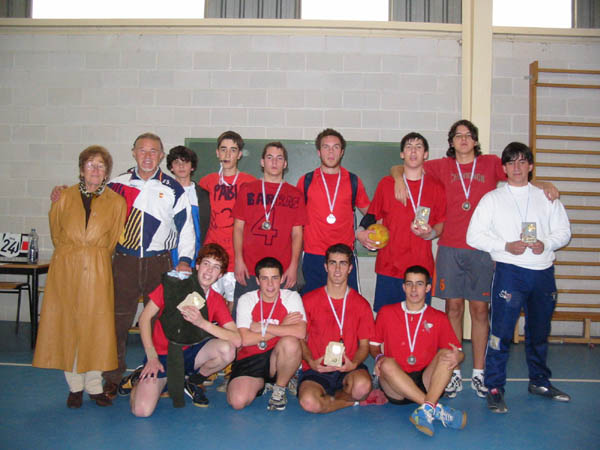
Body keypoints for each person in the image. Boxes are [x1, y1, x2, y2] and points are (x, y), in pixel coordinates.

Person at [390, 120, 558, 399]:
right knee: (453, 309)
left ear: (476, 141)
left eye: (468, 135)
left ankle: (479, 372)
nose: (464, 139)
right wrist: (397, 177)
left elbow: (518, 177)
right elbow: (404, 166)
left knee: (480, 311)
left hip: (482, 250)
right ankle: (453, 372)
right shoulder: (441, 166)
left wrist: (543, 184)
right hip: (450, 248)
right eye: (458, 136)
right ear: (451, 141)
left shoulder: (490, 163)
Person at [51, 133, 196, 398]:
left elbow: (186, 227)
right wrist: (63, 192)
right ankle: (111, 378)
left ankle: (158, 375)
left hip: (159, 262)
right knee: (114, 324)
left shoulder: (174, 188)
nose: (148, 156)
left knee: (159, 324)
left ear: (161, 156)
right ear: (133, 153)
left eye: (153, 151)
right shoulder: (116, 184)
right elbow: (86, 197)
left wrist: (185, 260)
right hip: (123, 263)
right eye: (142, 150)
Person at [466, 142, 571, 414]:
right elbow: (473, 236)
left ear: (530, 166)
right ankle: (494, 387)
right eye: (511, 162)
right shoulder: (492, 199)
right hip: (510, 272)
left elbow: (564, 232)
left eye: (522, 161)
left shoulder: (547, 196)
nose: (516, 167)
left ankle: (539, 381)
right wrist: (505, 246)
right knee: (500, 334)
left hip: (542, 273)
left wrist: (546, 244)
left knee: (539, 332)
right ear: (504, 168)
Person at [33, 145, 127, 409]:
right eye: (90, 164)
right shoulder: (63, 197)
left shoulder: (116, 202)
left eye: (100, 165)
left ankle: (94, 386)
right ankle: (74, 386)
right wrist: (75, 252)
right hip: (67, 267)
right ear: (81, 169)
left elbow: (112, 240)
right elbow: (56, 232)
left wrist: (92, 255)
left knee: (97, 328)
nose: (95, 170)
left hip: (98, 268)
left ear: (107, 172)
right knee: (69, 326)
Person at [124, 243, 240, 416]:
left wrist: (202, 323)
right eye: (206, 264)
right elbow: (144, 318)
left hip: (192, 353)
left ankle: (192, 381)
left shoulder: (216, 299)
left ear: (221, 275)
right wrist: (151, 356)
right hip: (162, 356)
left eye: (216, 267)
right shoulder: (173, 285)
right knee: (142, 411)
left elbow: (237, 339)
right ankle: (138, 379)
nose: (209, 271)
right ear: (197, 266)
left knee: (227, 350)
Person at [370, 265, 466, 437]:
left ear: (428, 288)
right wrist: (378, 357)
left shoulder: (438, 317)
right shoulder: (386, 313)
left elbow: (459, 352)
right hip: (395, 383)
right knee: (386, 363)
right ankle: (434, 408)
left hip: (426, 381)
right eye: (410, 284)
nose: (414, 289)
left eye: (419, 284)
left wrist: (456, 357)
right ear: (404, 287)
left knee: (446, 354)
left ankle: (426, 409)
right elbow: (373, 346)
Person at [357, 132, 445, 312]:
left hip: (420, 268)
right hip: (389, 267)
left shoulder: (436, 187)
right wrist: (360, 232)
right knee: (385, 320)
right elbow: (371, 214)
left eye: (418, 147)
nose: (413, 151)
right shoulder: (386, 184)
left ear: (426, 154)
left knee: (417, 321)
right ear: (402, 154)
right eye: (409, 147)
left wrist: (430, 234)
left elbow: (441, 223)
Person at [298, 243, 374, 413]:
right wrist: (311, 362)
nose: (338, 269)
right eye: (333, 263)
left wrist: (354, 364)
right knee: (309, 403)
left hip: (348, 368)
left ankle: (330, 401)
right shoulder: (308, 300)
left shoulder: (361, 304)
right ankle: (348, 401)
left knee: (362, 387)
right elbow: (300, 340)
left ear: (350, 268)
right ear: (326, 267)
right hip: (317, 368)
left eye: (343, 263)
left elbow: (364, 346)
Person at [227, 257, 306, 411]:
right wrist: (282, 326)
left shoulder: (291, 297)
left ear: (281, 279)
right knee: (237, 402)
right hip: (251, 358)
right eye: (264, 278)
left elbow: (300, 331)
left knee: (291, 343)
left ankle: (280, 387)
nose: (270, 284)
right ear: (257, 280)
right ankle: (262, 384)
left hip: (278, 357)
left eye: (275, 278)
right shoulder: (246, 300)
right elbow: (245, 339)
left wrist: (264, 327)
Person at [296, 128, 370, 294]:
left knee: (346, 306)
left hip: (343, 257)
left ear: (342, 152)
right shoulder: (306, 181)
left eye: (335, 147)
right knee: (309, 306)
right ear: (319, 152)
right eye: (326, 147)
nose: (331, 152)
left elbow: (371, 213)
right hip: (313, 256)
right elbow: (295, 221)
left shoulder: (353, 181)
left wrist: (361, 230)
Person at [232, 142, 307, 301]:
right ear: (262, 162)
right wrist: (238, 260)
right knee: (245, 314)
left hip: (283, 271)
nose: (274, 162)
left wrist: (294, 266)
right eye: (269, 157)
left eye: (279, 158)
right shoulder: (247, 189)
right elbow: (238, 228)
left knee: (283, 315)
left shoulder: (295, 194)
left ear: (285, 164)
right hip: (249, 269)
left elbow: (297, 234)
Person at [198, 131, 256, 311]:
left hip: (237, 258)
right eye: (223, 149)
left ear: (239, 154)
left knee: (234, 306)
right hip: (211, 256)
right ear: (217, 153)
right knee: (206, 305)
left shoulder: (250, 183)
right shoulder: (206, 182)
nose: (228, 154)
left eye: (233, 150)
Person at [166, 145, 211, 265]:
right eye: (177, 162)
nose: (181, 166)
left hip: (197, 252)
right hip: (168, 251)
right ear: (171, 167)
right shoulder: (164, 193)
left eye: (185, 162)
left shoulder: (204, 196)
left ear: (192, 167)